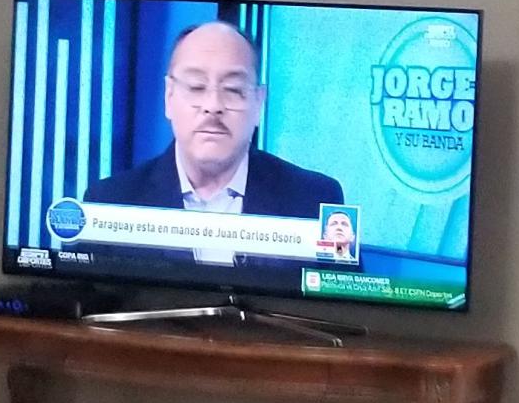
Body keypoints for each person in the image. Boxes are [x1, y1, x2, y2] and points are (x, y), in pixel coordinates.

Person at [83, 21, 346, 267]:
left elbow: (339, 298)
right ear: (169, 97)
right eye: (196, 87)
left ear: (258, 103)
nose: (213, 106)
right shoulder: (110, 202)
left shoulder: (316, 200)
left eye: (233, 89)